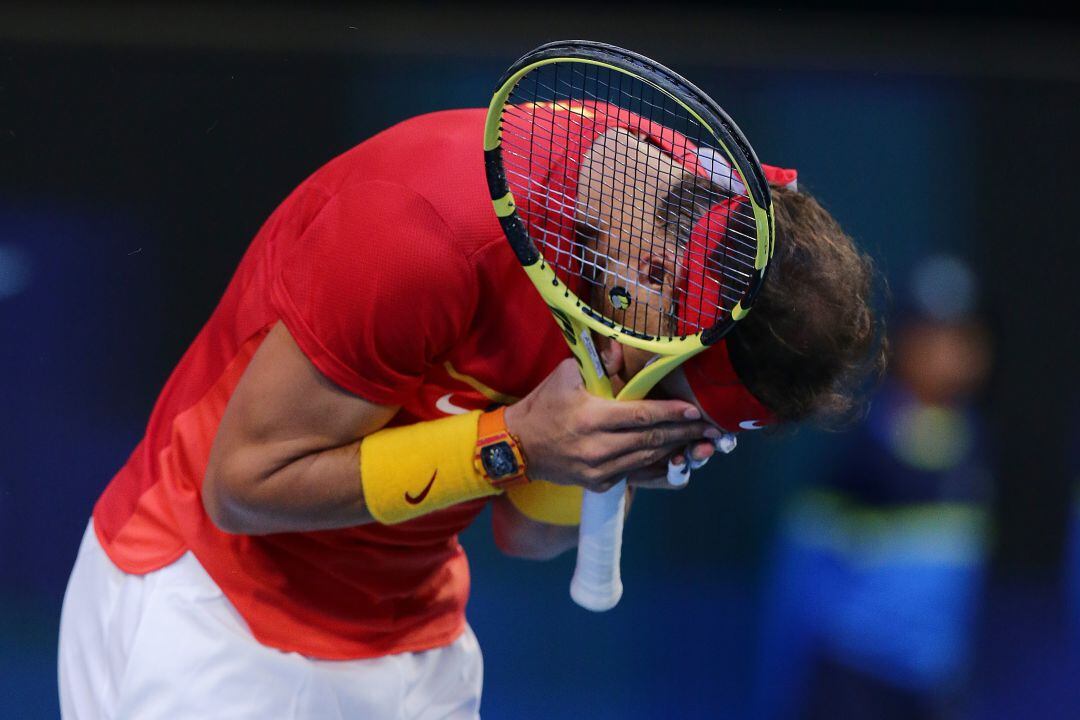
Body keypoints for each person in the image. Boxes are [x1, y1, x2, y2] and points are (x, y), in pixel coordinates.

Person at [58, 99, 884, 718]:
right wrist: (513, 444)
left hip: (411, 636)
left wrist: (600, 457)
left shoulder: (690, 258)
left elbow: (528, 536)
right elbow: (239, 489)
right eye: (663, 389)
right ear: (658, 283)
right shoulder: (419, 229)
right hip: (204, 603)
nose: (651, 401)